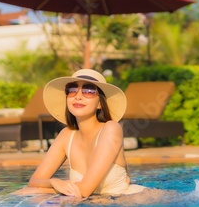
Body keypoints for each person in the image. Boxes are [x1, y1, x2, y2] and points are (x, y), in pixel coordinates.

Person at [13, 69, 146, 199]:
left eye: (89, 90)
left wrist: (36, 190)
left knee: (25, 192)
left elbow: (85, 190)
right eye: (72, 90)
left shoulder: (111, 129)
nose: (78, 96)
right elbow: (35, 180)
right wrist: (54, 182)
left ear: (100, 103)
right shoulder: (66, 135)